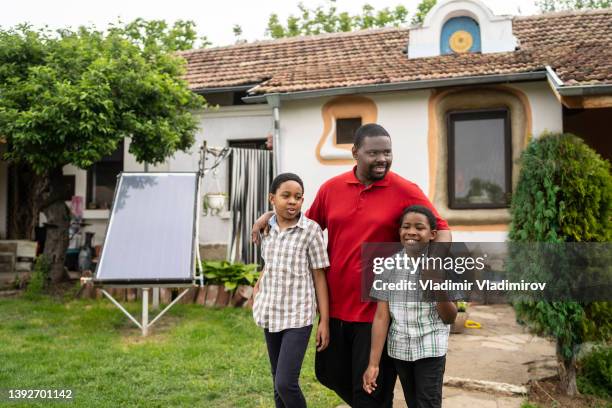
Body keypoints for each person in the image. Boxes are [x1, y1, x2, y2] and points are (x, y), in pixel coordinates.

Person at [253, 124, 451, 407]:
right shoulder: (332, 189)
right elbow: (302, 225)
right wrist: (270, 215)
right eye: (374, 153)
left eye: (387, 152)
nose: (383, 158)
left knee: (370, 391)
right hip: (335, 308)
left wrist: (433, 263)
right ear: (355, 153)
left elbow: (441, 228)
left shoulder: (406, 190)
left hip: (375, 312)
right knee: (328, 374)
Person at [363, 205, 457, 408]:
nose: (411, 232)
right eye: (406, 226)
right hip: (401, 349)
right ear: (399, 232)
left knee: (427, 403)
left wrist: (436, 284)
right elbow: (381, 317)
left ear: (432, 234)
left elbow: (450, 317)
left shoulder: (443, 264)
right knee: (413, 402)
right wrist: (373, 364)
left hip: (430, 348)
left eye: (419, 227)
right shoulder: (388, 266)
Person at [252, 172, 331, 408]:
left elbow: (319, 276)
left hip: (298, 316)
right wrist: (258, 290)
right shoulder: (267, 229)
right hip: (270, 311)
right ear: (272, 198)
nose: (292, 201)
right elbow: (269, 264)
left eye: (298, 197)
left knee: (286, 383)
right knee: (277, 383)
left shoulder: (311, 230)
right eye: (286, 196)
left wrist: (324, 320)